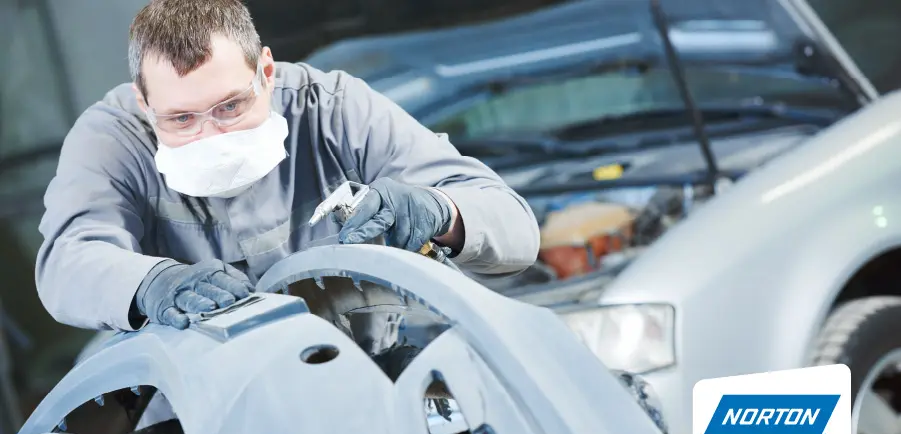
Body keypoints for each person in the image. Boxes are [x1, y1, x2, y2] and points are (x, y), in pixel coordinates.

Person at [34, 0, 539, 333]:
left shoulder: (331, 106)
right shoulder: (111, 139)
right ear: (145, 105)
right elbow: (68, 261)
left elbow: (514, 226)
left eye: (231, 106)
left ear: (267, 73)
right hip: (202, 405)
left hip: (376, 370)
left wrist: (440, 210)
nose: (214, 137)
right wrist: (152, 284)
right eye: (182, 118)